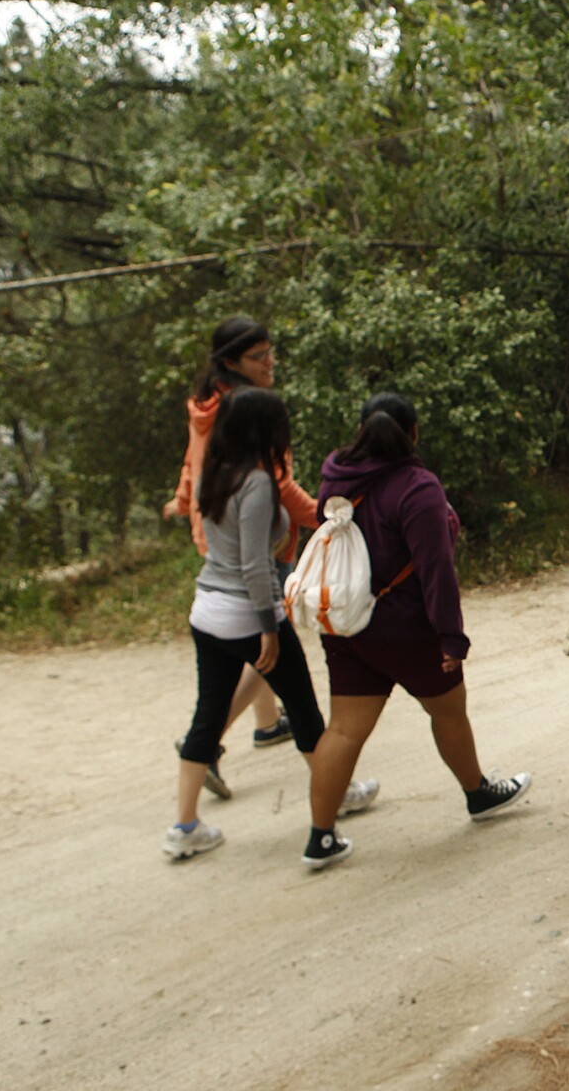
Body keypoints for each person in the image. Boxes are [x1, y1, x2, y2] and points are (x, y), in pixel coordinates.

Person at [302, 392, 531, 870]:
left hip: (347, 628)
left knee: (343, 730)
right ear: (414, 432)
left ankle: (320, 838)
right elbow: (436, 570)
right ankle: (478, 793)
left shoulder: (333, 480)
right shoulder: (416, 486)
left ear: (362, 430)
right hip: (407, 630)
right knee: (448, 712)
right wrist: (451, 637)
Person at [166, 389, 377, 860]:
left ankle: (184, 826)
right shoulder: (258, 482)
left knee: (208, 714)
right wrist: (268, 627)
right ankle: (336, 794)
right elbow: (254, 565)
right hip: (248, 613)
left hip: (207, 611)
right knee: (303, 708)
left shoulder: (215, 472)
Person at [163, 317, 320, 797]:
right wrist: (325, 516)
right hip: (255, 538)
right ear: (232, 362)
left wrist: (184, 500)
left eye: (271, 352)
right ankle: (207, 743)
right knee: (267, 640)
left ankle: (268, 722)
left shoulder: (208, 406)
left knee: (253, 640)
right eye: (259, 356)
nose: (270, 363)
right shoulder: (248, 413)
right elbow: (276, 483)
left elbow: (194, 460)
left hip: (218, 531)